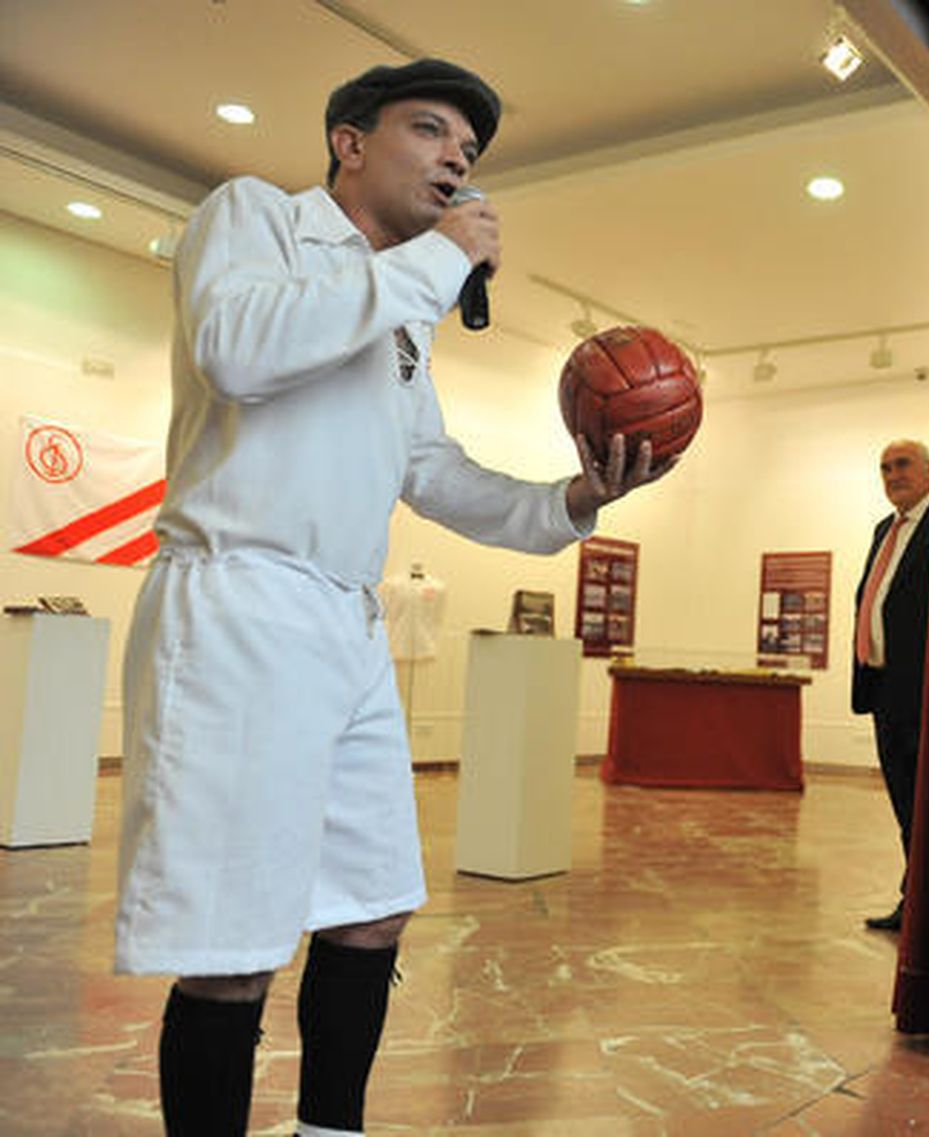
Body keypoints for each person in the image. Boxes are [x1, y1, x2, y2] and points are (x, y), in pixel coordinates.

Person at [113, 59, 673, 1137]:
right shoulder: (255, 219)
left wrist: (572, 497)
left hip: (345, 619)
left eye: (468, 148)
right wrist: (434, 265)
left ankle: (334, 1129)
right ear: (348, 141)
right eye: (431, 130)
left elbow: (436, 473)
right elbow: (239, 350)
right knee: (231, 951)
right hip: (239, 602)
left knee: (372, 910)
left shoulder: (401, 313)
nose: (457, 158)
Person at [852, 439, 929, 932]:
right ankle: (914, 900)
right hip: (883, 689)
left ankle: (925, 906)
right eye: (884, 467)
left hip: (921, 692)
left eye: (902, 464)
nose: (892, 474)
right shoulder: (886, 528)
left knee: (923, 806)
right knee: (904, 804)